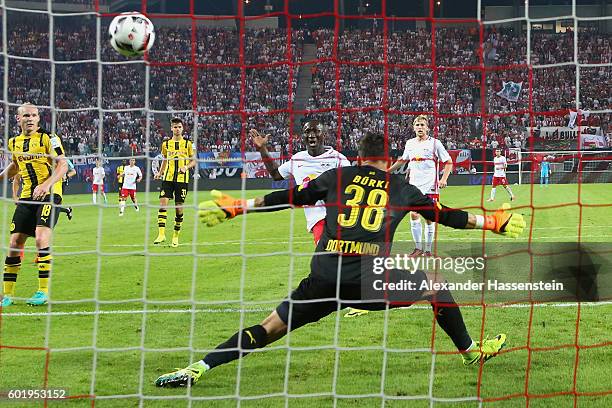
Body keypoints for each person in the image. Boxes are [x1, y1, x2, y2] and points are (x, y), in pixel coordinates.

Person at [154, 132, 525, 387]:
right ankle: (470, 352)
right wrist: (492, 221)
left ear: (360, 157)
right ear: (390, 159)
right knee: (434, 284)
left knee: (268, 328)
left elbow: (288, 197)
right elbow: (448, 216)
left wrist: (238, 207)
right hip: (369, 281)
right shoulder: (402, 187)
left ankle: (199, 367)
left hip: (323, 276)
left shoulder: (337, 175)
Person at [251, 121, 367, 319]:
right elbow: (276, 174)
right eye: (307, 132)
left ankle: (348, 299)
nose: (311, 135)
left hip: (337, 217)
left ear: (324, 135)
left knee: (331, 260)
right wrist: (263, 149)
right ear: (302, 136)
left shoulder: (338, 159)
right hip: (315, 219)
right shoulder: (297, 160)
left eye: (316, 131)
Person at [0, 103, 68, 307]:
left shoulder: (49, 138)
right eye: (26, 115)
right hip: (27, 197)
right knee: (14, 243)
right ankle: (8, 295)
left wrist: (47, 185)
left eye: (34, 115)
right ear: (18, 119)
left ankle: (42, 291)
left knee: (40, 237)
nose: (30, 118)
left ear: (39, 118)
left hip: (50, 195)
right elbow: (16, 165)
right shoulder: (14, 142)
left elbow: (63, 164)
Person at [387, 115, 453, 257]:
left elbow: (449, 162)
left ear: (428, 128)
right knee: (414, 214)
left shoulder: (435, 143)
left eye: (423, 125)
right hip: (414, 186)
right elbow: (403, 160)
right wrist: (387, 172)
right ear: (413, 128)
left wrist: (444, 179)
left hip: (430, 186)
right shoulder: (410, 143)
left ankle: (428, 250)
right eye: (417, 125)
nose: (420, 127)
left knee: (429, 217)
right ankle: (418, 248)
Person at [154, 117, 196, 247]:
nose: (177, 129)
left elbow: (194, 161)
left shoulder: (189, 144)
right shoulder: (166, 144)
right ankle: (161, 234)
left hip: (182, 180)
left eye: (179, 127)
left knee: (179, 209)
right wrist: (160, 172)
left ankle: (175, 236)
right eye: (175, 127)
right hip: (168, 178)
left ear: (182, 128)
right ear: (171, 128)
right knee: (163, 203)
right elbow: (165, 159)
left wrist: (186, 167)